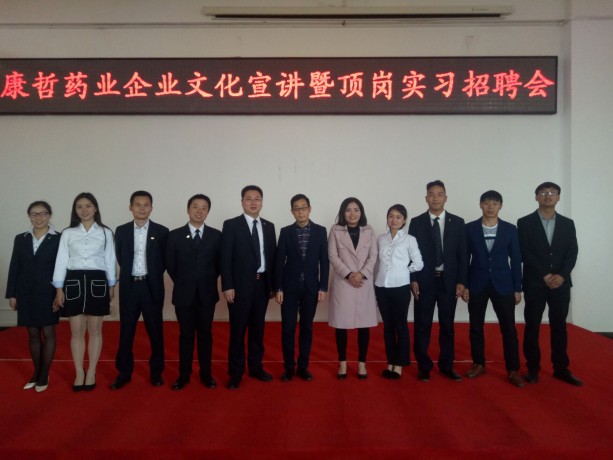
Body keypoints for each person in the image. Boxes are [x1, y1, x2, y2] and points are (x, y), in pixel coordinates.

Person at [518, 182, 581, 386]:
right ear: (536, 196)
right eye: (543, 192)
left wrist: (562, 275)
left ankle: (561, 368)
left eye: (552, 192)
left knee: (559, 326)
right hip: (535, 283)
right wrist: (544, 274)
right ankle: (532, 368)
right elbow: (524, 252)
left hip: (561, 284)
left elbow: (572, 252)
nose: (548, 196)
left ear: (558, 197)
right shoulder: (524, 222)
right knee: (532, 326)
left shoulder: (567, 223)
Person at [53, 192, 116, 392]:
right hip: (73, 281)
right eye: (79, 206)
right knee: (76, 331)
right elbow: (61, 260)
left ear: (95, 208)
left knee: (95, 330)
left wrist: (111, 286)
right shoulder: (68, 233)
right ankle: (79, 371)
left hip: (98, 281)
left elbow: (109, 259)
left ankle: (92, 372)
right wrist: (59, 288)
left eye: (88, 205)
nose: (84, 210)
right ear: (75, 210)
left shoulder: (105, 232)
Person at [462, 190, 525, 388]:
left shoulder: (510, 229)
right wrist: (464, 284)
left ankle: (513, 369)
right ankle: (478, 364)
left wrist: (517, 288)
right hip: (477, 283)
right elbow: (464, 259)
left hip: (503, 284)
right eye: (487, 203)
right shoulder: (469, 228)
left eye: (495, 203)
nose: (490, 207)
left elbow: (516, 260)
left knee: (509, 329)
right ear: (480, 204)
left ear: (501, 206)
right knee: (475, 327)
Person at [409, 180, 467, 382]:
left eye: (439, 194)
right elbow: (410, 254)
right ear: (426, 198)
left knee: (447, 326)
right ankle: (423, 366)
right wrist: (413, 279)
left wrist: (462, 281)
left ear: (445, 198)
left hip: (448, 282)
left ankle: (446, 365)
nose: (435, 198)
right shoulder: (416, 222)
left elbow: (462, 254)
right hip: (424, 281)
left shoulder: (457, 222)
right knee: (422, 325)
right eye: (431, 194)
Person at [111, 191, 168, 390]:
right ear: (131, 207)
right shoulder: (121, 230)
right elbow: (119, 256)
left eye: (146, 205)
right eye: (138, 204)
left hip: (152, 287)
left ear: (151, 208)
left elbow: (164, 260)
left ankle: (156, 373)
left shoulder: (162, 231)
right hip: (129, 286)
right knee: (126, 332)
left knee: (155, 332)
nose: (142, 208)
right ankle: (124, 373)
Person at [221, 185, 276, 390]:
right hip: (239, 287)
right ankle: (235, 373)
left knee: (258, 330)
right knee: (237, 331)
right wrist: (228, 285)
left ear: (262, 202)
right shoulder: (231, 225)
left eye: (257, 198)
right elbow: (225, 258)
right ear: (242, 202)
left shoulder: (269, 226)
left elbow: (272, 257)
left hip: (262, 285)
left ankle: (255, 367)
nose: (253, 202)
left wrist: (273, 285)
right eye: (248, 198)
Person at [166, 194, 221, 390]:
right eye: (195, 206)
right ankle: (184, 374)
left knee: (206, 334)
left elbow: (219, 265)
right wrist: (186, 281)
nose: (199, 211)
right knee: (186, 335)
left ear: (208, 211)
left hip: (207, 293)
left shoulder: (216, 235)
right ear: (188, 209)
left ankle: (206, 373)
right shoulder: (174, 235)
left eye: (204, 207)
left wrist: (204, 280)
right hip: (184, 294)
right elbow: (170, 265)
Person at [6, 201, 61, 392]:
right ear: (29, 216)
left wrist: (59, 292)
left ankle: (44, 375)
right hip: (25, 293)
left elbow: (63, 267)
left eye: (43, 213)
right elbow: (15, 266)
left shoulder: (59, 238)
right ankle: (36, 373)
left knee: (48, 332)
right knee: (32, 334)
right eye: (34, 214)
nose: (39, 217)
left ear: (49, 215)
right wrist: (12, 294)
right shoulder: (21, 238)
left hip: (48, 292)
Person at [274, 194, 329, 382]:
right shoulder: (286, 232)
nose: (300, 211)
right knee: (287, 328)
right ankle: (289, 367)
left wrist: (323, 286)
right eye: (296, 208)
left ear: (309, 209)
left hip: (311, 287)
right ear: (292, 211)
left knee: (307, 328)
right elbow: (279, 261)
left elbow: (324, 261)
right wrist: (278, 288)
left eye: (303, 207)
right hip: (289, 288)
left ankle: (303, 366)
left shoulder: (320, 231)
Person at [328, 197, 378, 379]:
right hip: (344, 283)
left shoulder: (369, 230)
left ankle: (361, 363)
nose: (352, 213)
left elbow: (373, 255)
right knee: (341, 325)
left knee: (364, 326)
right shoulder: (335, 230)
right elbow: (332, 256)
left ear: (361, 212)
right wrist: (349, 274)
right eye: (348, 210)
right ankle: (342, 362)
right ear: (343, 212)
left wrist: (362, 274)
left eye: (356, 210)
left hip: (363, 283)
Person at [375, 204, 423, 380]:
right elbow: (376, 264)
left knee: (400, 325)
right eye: (391, 216)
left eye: (398, 217)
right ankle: (390, 362)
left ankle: (399, 364)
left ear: (404, 220)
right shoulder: (380, 239)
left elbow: (419, 263)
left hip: (401, 287)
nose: (394, 220)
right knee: (388, 326)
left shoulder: (409, 239)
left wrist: (403, 271)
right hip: (381, 287)